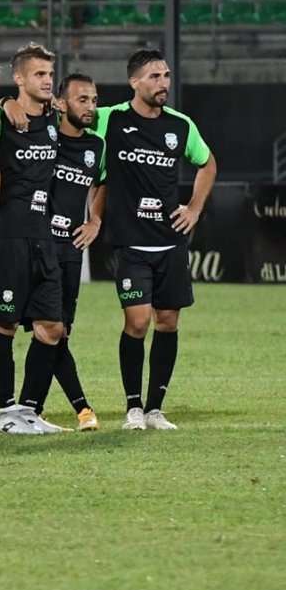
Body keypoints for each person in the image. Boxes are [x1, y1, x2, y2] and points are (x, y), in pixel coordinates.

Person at [92, 49, 216, 431]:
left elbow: (207, 163)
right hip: (130, 242)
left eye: (166, 76)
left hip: (170, 241)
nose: (163, 83)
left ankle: (155, 408)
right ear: (134, 82)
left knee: (168, 322)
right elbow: (76, 137)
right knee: (138, 322)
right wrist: (94, 214)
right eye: (154, 77)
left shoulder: (180, 125)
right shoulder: (109, 119)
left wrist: (193, 208)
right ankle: (132, 406)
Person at [0, 44, 69, 436]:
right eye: (39, 74)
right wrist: (0, 105)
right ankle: (6, 412)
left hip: (43, 236)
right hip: (9, 236)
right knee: (4, 324)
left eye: (50, 73)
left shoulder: (55, 116)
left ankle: (29, 411)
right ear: (18, 79)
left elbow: (90, 112)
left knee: (52, 328)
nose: (47, 80)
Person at [32, 71, 105, 430]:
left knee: (58, 332)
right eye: (82, 99)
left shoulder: (96, 147)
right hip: (37, 247)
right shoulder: (43, 137)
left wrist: (95, 220)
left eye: (93, 100)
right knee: (50, 329)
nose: (90, 106)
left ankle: (33, 410)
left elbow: (102, 183)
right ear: (60, 103)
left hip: (71, 250)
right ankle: (82, 407)